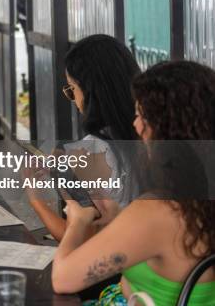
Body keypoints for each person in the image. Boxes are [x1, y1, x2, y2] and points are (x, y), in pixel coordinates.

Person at [52, 60, 215, 305]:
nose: (135, 125)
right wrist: (119, 218)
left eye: (140, 115)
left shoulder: (157, 210)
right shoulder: (193, 205)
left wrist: (77, 220)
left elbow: (63, 279)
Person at [26, 34, 141, 241]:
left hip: (112, 265)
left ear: (89, 91)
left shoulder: (90, 151)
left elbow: (77, 239)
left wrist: (35, 198)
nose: (73, 99)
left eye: (72, 90)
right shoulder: (149, 131)